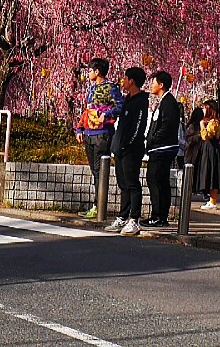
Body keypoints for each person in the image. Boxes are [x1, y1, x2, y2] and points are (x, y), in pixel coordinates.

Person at [74, 58, 122, 219]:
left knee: (100, 171)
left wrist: (106, 115)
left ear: (97, 72)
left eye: (90, 70)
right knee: (95, 171)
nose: (87, 73)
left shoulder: (111, 88)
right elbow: (87, 111)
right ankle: (96, 205)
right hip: (89, 133)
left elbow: (120, 107)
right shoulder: (91, 89)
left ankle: (98, 206)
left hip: (102, 134)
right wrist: (79, 128)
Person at [104, 66, 148, 236]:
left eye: (125, 78)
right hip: (120, 149)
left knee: (132, 184)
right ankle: (123, 216)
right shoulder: (128, 100)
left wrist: (127, 145)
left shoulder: (140, 102)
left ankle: (134, 219)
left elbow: (138, 127)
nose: (122, 81)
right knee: (123, 185)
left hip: (131, 150)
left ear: (132, 81)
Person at [142, 70, 181, 227]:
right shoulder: (164, 101)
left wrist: (152, 139)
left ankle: (158, 215)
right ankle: (160, 216)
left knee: (155, 179)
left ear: (161, 85)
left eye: (153, 82)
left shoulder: (168, 102)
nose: (151, 85)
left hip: (162, 148)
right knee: (160, 180)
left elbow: (167, 126)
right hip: (159, 148)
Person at [193, 99, 220, 210]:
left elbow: (206, 136)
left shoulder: (214, 122)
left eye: (204, 108)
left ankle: (212, 201)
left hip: (211, 149)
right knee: (210, 174)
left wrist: (202, 125)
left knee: (212, 174)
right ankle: (211, 200)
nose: (202, 110)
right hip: (209, 149)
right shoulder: (213, 121)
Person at [182, 105, 204, 199]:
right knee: (193, 170)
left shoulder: (203, 125)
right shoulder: (192, 126)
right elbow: (188, 139)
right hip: (193, 152)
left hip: (201, 151)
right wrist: (199, 136)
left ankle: (198, 188)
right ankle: (192, 188)